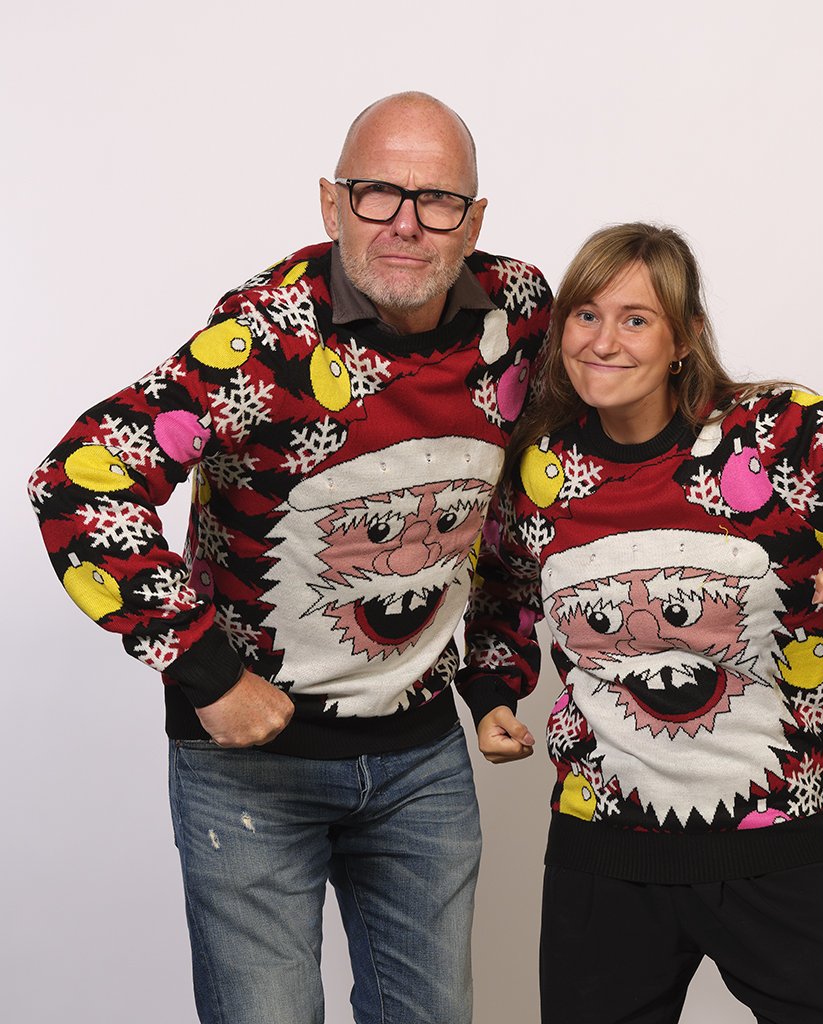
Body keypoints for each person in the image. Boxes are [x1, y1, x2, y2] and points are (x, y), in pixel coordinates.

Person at [28, 91, 551, 1024]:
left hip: (422, 757)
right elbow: (78, 481)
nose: (405, 224)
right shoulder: (264, 342)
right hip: (252, 765)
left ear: (474, 222)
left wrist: (494, 677)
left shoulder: (520, 318)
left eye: (436, 201)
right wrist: (206, 674)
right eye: (376, 193)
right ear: (329, 204)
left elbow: (516, 499)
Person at [458, 222, 823, 1023]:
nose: (604, 341)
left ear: (685, 339)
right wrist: (494, 690)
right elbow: (503, 586)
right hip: (601, 857)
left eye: (636, 319)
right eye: (586, 315)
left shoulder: (774, 442)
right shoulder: (540, 472)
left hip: (770, 844)